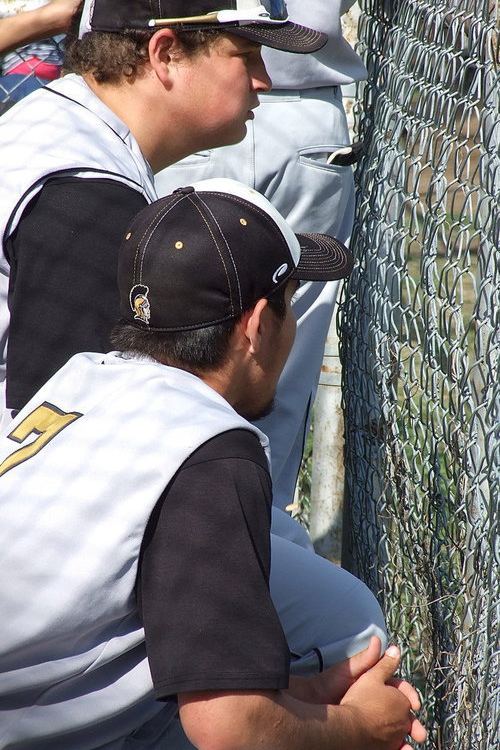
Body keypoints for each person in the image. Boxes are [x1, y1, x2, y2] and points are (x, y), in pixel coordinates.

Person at [0, 179, 426, 749]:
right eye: (289, 303)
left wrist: (304, 698)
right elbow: (228, 728)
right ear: (255, 326)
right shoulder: (206, 447)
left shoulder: (87, 377)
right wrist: (362, 728)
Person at [0, 0, 327, 429]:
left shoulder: (65, 122)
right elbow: (55, 430)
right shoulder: (87, 193)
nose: (265, 81)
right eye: (247, 56)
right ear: (166, 53)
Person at [153, 0, 397, 511]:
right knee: (279, 367)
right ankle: (261, 528)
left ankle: (177, 523)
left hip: (187, 96)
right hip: (308, 115)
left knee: (169, 344)